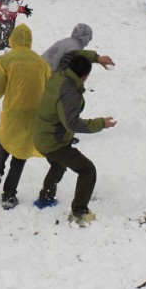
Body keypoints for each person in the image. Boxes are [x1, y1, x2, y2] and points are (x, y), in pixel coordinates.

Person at [31, 52, 116, 226]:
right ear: (85, 77)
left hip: (41, 134)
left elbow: (70, 54)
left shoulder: (59, 74)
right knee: (87, 170)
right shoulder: (69, 93)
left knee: (58, 164)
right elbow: (72, 123)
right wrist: (101, 124)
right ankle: (79, 211)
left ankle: (46, 197)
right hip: (53, 142)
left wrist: (96, 58)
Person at [0, 22, 48, 209]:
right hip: (35, 114)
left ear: (12, 40)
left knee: (5, 141)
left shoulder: (6, 60)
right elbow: (49, 86)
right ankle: (9, 195)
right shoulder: (40, 62)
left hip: (14, 110)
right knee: (21, 155)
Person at [40, 23, 115, 73]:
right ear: (84, 37)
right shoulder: (73, 47)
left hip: (39, 68)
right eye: (89, 37)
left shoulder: (66, 41)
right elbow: (64, 71)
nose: (90, 40)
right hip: (45, 74)